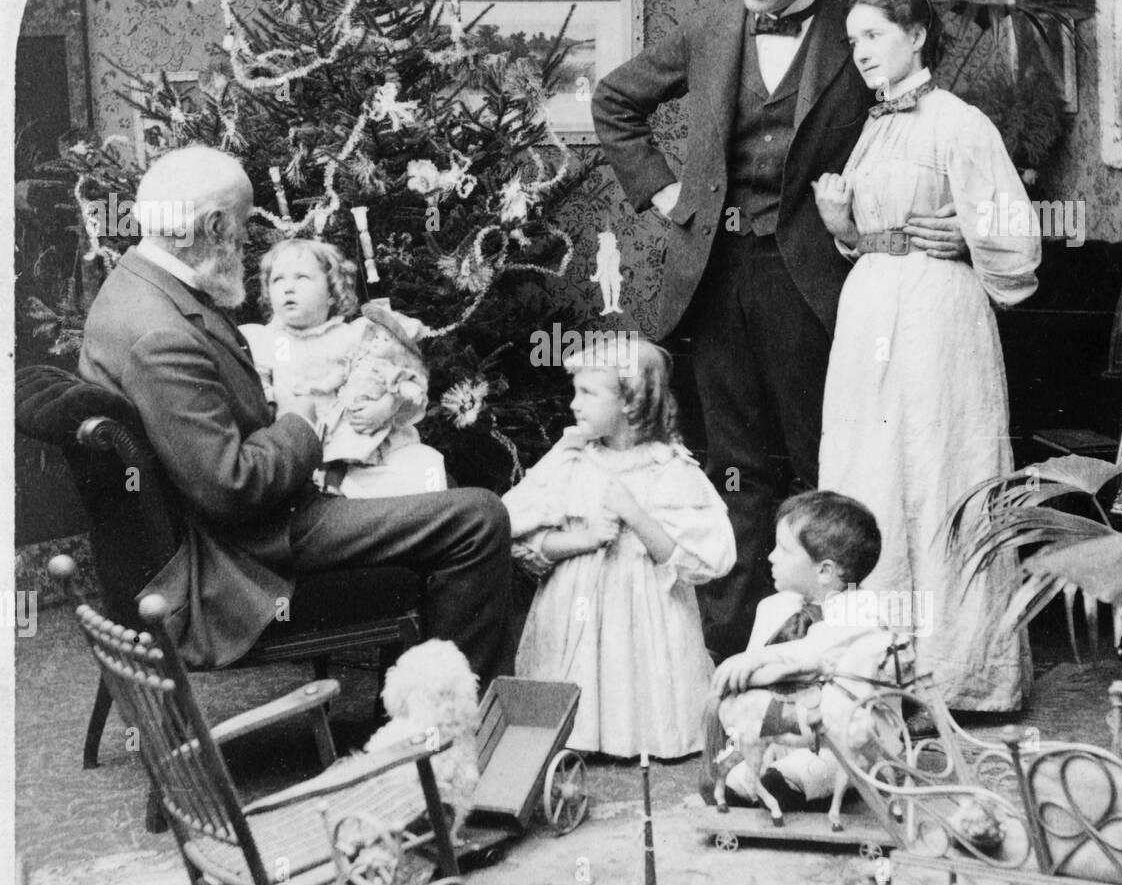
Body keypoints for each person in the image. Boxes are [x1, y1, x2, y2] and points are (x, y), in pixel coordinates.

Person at [591, 0, 965, 662]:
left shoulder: (858, 32)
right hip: (716, 277)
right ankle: (733, 653)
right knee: (734, 463)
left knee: (821, 459)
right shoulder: (713, 25)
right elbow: (615, 99)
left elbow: (922, 120)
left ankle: (837, 656)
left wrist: (940, 222)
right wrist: (665, 194)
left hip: (817, 282)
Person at [79, 144, 513, 680]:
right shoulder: (159, 334)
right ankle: (448, 728)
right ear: (213, 224)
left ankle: (413, 709)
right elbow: (228, 487)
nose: (242, 243)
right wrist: (300, 422)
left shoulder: (138, 285)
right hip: (244, 548)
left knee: (437, 500)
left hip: (244, 525)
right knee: (479, 517)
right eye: (239, 228)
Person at [813, 0, 1041, 711]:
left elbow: (1015, 242)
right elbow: (869, 234)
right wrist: (841, 226)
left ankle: (961, 673)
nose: (861, 54)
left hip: (938, 320)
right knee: (873, 472)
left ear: (915, 35)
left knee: (941, 469)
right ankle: (878, 672)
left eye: (872, 37)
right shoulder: (872, 125)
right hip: (872, 312)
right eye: (852, 42)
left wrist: (972, 247)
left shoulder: (960, 123)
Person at [501, 340, 735, 758]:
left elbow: (704, 561)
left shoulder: (670, 470)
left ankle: (641, 734)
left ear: (630, 403)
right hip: (572, 614)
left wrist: (637, 515)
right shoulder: (569, 462)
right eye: (575, 391)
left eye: (589, 393)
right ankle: (579, 734)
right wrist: (583, 539)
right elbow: (511, 530)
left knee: (637, 672)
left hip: (648, 619)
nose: (574, 405)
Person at [707, 490, 907, 813]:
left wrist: (759, 661)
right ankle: (769, 774)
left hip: (849, 736)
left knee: (816, 769)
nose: (770, 557)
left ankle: (803, 785)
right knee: (737, 777)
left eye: (783, 550)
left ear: (824, 571)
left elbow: (812, 655)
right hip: (789, 727)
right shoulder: (772, 608)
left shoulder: (861, 612)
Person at [240, 237, 447, 499]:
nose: (288, 288)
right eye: (278, 280)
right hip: (305, 456)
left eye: (302, 278)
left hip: (366, 446)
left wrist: (386, 406)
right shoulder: (263, 341)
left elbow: (405, 377)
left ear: (331, 293)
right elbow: (255, 399)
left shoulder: (355, 335)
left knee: (423, 466)